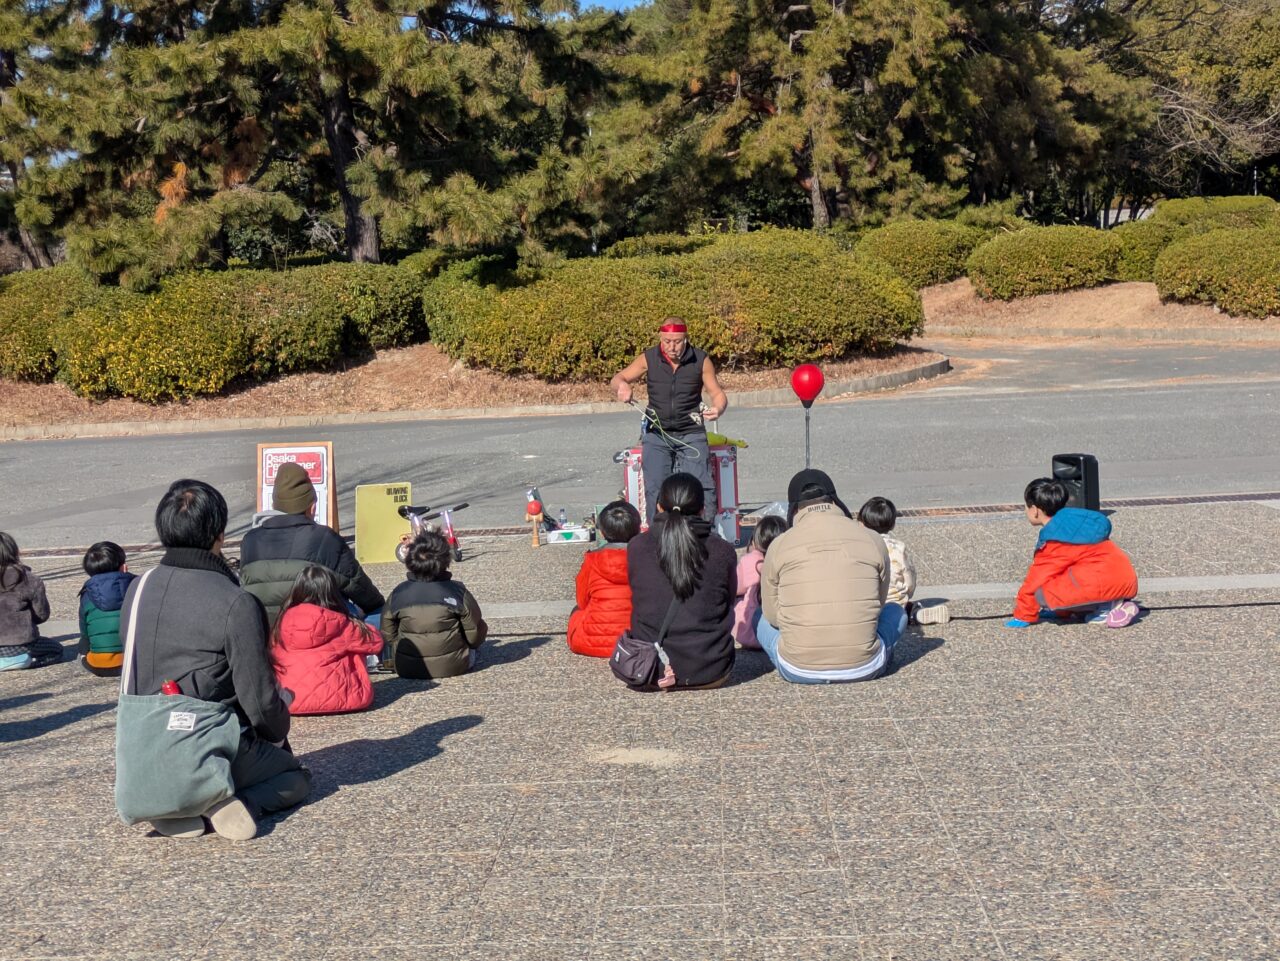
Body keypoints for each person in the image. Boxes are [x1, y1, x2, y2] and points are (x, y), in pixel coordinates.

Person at [119, 479, 311, 840]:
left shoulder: (138, 588)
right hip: (206, 744)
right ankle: (221, 804)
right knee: (295, 777)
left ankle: (179, 806)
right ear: (219, 535)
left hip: (139, 749)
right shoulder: (235, 602)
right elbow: (259, 702)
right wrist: (279, 733)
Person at [756, 470, 907, 683]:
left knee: (757, 617)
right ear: (834, 500)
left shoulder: (780, 544)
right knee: (896, 611)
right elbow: (879, 604)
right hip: (865, 666)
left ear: (794, 508)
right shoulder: (872, 539)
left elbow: (772, 616)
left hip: (798, 669)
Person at [624, 472, 737, 689]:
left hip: (648, 668)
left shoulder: (637, 546)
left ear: (658, 507)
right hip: (711, 668)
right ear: (702, 510)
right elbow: (728, 601)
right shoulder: (722, 550)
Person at [610, 317, 729, 523]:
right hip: (657, 434)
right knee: (655, 486)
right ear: (660, 338)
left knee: (702, 485)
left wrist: (718, 408)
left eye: (677, 341)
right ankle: (658, 536)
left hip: (691, 431)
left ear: (686, 338)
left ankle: (705, 532)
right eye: (667, 341)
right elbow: (618, 378)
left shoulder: (701, 360)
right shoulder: (649, 357)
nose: (672, 347)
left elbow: (717, 394)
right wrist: (622, 387)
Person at [239, 462, 384, 625]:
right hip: (316, 634)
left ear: (274, 505)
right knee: (380, 614)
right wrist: (378, 605)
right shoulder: (324, 538)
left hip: (266, 632)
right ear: (312, 506)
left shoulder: (250, 540)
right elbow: (362, 591)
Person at [1005, 478, 1140, 629]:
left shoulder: (1055, 539)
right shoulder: (1077, 523)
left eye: (1026, 506)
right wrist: (1060, 610)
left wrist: (1024, 615)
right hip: (1123, 579)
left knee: (1041, 594)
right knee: (1060, 583)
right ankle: (1111, 602)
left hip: (1104, 585)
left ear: (1035, 510)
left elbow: (1036, 579)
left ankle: (1106, 609)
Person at [270, 566, 385, 715]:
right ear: (332, 592)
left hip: (289, 701)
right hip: (346, 699)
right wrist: (358, 621)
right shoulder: (341, 623)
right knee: (357, 644)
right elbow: (376, 643)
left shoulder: (281, 622)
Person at [384, 531, 488, 679]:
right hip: (454, 666)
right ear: (446, 561)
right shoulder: (457, 591)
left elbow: (387, 631)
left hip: (407, 667)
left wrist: (398, 645)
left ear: (410, 562)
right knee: (477, 627)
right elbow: (474, 632)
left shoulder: (398, 593)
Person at [857, 496, 949, 626]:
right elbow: (909, 579)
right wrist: (907, 594)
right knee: (901, 608)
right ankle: (914, 614)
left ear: (862, 522)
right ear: (892, 524)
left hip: (865, 604)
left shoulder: (858, 546)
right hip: (894, 603)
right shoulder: (898, 548)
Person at [567, 500, 642, 658]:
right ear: (639, 529)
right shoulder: (647, 558)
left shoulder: (592, 560)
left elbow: (582, 601)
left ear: (601, 532)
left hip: (591, 641)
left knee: (576, 611)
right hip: (638, 639)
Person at [0, 531, 61, 671]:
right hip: (20, 644)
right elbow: (41, 615)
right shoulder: (29, 579)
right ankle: (27, 662)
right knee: (57, 650)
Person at [77, 541, 136, 677]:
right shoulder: (137, 586)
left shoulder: (87, 594)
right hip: (133, 663)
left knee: (83, 642)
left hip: (97, 665)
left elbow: (84, 632)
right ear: (124, 567)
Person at [732, 515, 787, 649]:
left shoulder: (749, 560)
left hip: (749, 632)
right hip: (781, 633)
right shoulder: (788, 560)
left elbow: (734, 588)